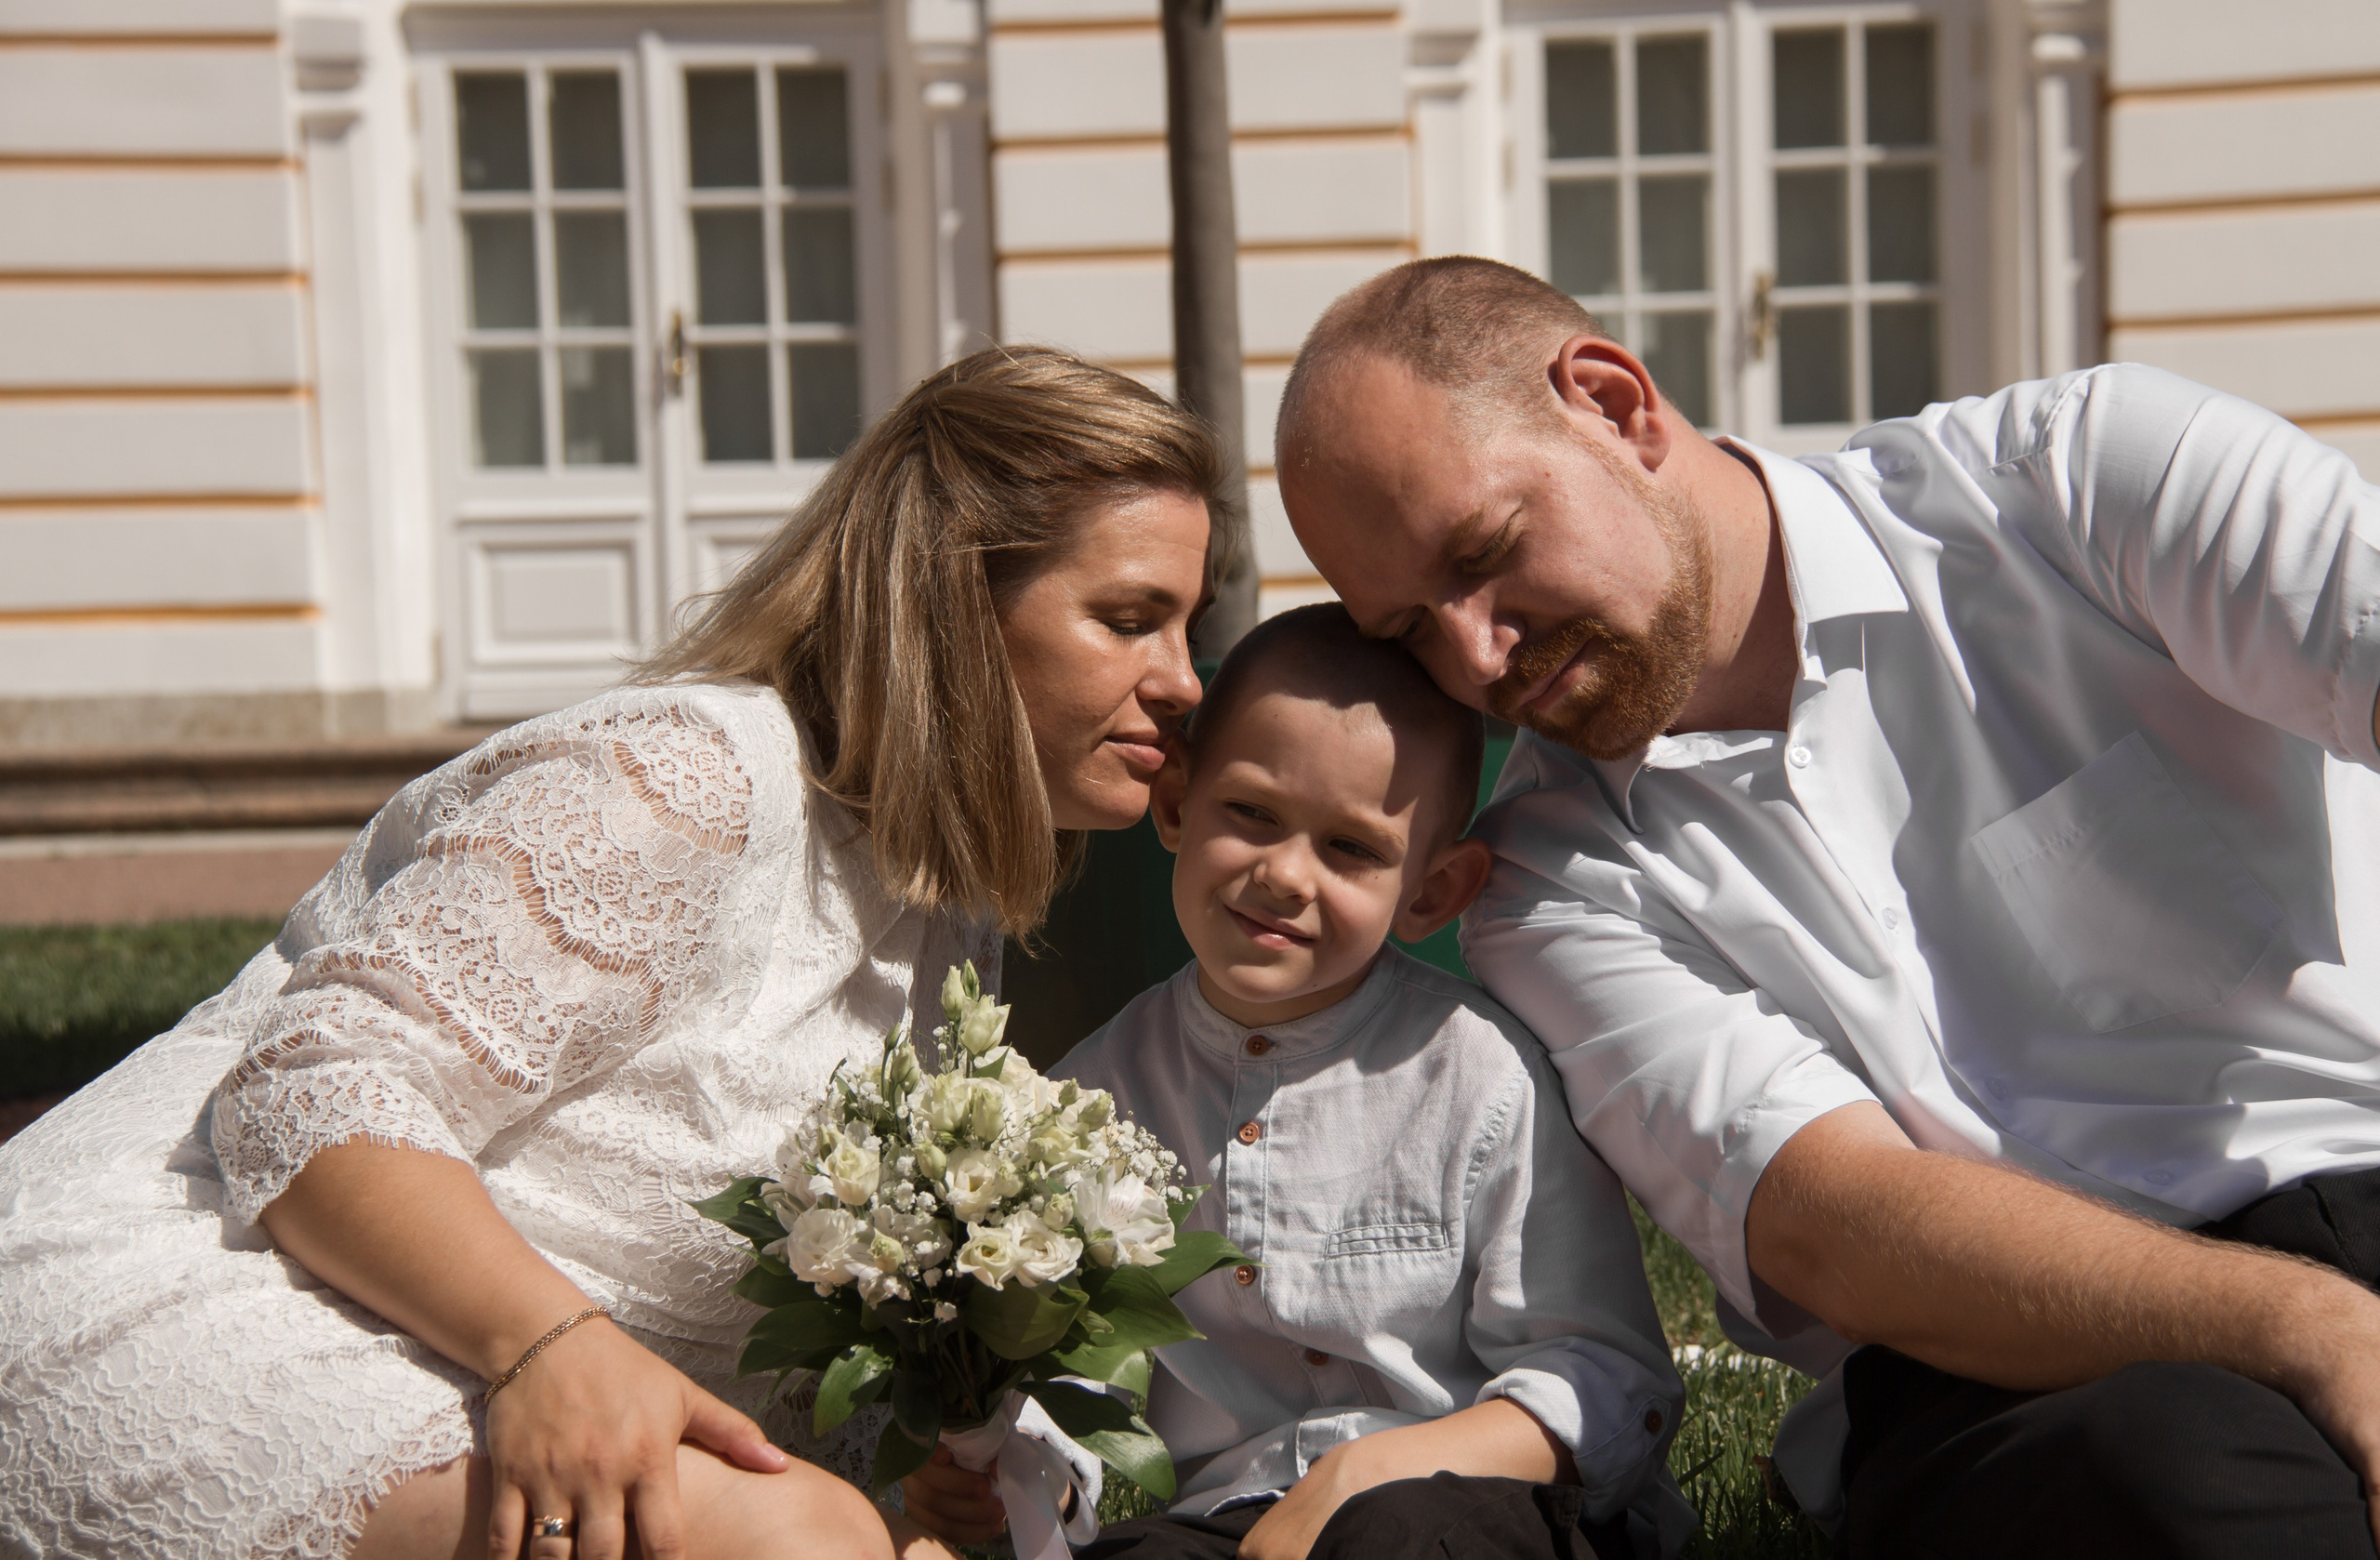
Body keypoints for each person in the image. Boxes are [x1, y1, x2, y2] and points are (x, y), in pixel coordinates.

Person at [0, 347, 1230, 1560]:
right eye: (1130, 619)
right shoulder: (688, 777)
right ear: (951, 606)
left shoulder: (943, 917)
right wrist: (548, 1344)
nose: (1181, 681)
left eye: (1186, 626)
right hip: (200, 1292)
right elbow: (314, 1084)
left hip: (472, 1353)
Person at [1271, 256, 2380, 1558]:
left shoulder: (2073, 480)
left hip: (2352, 1179)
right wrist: (2316, 1328)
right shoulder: (1547, 879)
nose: (1475, 656)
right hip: (2018, 1365)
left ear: (1616, 403)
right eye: (1409, 629)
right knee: (2178, 1485)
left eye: (1487, 553)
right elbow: (1839, 1225)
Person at [902, 603, 1695, 1560]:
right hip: (1215, 1517)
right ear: (1176, 804)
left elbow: (1603, 1375)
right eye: (1252, 815)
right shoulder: (1087, 1104)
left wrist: (1365, 1472)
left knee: (1399, 1542)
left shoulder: (1481, 1076)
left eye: (1350, 849)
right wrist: (1003, 1475)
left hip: (1445, 1499)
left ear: (1432, 892)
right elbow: (1086, 1399)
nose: (1283, 874)